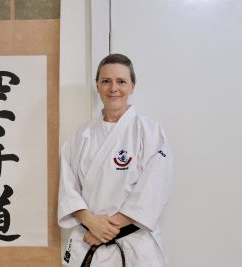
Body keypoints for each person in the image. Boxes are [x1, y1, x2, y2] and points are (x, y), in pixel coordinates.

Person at [58, 53, 173, 267]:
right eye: (106, 81)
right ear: (97, 85)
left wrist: (106, 229)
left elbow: (155, 188)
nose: (113, 88)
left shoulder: (149, 131)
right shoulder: (80, 136)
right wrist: (90, 222)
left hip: (134, 244)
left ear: (132, 86)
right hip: (88, 239)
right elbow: (68, 187)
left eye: (121, 81)